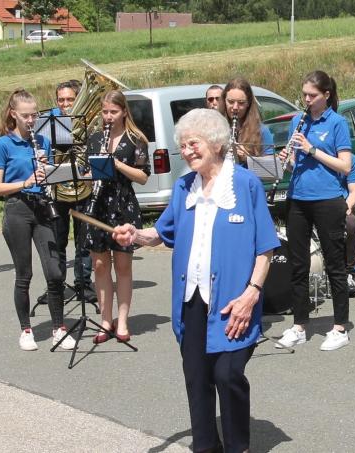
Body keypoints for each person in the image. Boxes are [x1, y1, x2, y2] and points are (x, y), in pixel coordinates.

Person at [112, 108, 280, 453]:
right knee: (197, 377)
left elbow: (266, 249)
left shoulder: (245, 185)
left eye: (193, 143)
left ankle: (238, 447)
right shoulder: (184, 187)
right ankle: (205, 446)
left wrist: (252, 294)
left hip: (234, 302)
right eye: (183, 146)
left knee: (227, 374)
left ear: (215, 143)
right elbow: (160, 233)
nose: (187, 152)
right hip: (192, 300)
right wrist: (134, 234)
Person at [0, 89, 75, 351]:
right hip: (17, 208)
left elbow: (48, 175)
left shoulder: (42, 141)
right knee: (24, 273)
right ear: (14, 114)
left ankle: (59, 327)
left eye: (34, 115)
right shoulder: (3, 144)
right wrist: (25, 182)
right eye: (25, 115)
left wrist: (50, 172)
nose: (31, 119)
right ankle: (26, 329)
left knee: (55, 271)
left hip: (42, 208)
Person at [275, 70, 354, 351]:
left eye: (312, 95)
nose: (306, 100)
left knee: (334, 264)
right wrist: (286, 159)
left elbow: (345, 166)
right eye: (304, 94)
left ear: (326, 95)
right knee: (298, 265)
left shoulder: (337, 123)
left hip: (328, 198)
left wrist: (311, 150)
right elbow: (294, 164)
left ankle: (340, 327)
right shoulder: (298, 121)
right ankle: (299, 325)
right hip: (299, 197)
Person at [83, 90, 150, 344]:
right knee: (100, 266)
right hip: (98, 204)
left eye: (113, 112)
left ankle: (122, 321)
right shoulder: (95, 138)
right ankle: (105, 320)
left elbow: (143, 176)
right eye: (105, 112)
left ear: (124, 112)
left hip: (123, 206)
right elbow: (86, 170)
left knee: (123, 266)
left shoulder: (136, 139)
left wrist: (117, 164)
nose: (108, 116)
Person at [37, 79, 97, 305]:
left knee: (83, 241)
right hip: (58, 189)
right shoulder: (48, 124)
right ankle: (57, 285)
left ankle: (84, 284)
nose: (65, 104)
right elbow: (41, 151)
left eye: (70, 99)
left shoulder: (89, 124)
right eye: (61, 100)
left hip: (82, 187)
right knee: (57, 240)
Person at [218, 77, 274, 164]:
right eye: (231, 102)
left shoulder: (261, 131)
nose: (235, 107)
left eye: (241, 103)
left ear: (248, 103)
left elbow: (272, 168)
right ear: (224, 100)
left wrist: (248, 158)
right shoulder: (216, 128)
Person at [344, 155, 355, 297]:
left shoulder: (350, 159)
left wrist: (347, 206)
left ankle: (349, 274)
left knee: (351, 224)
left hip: (341, 203)